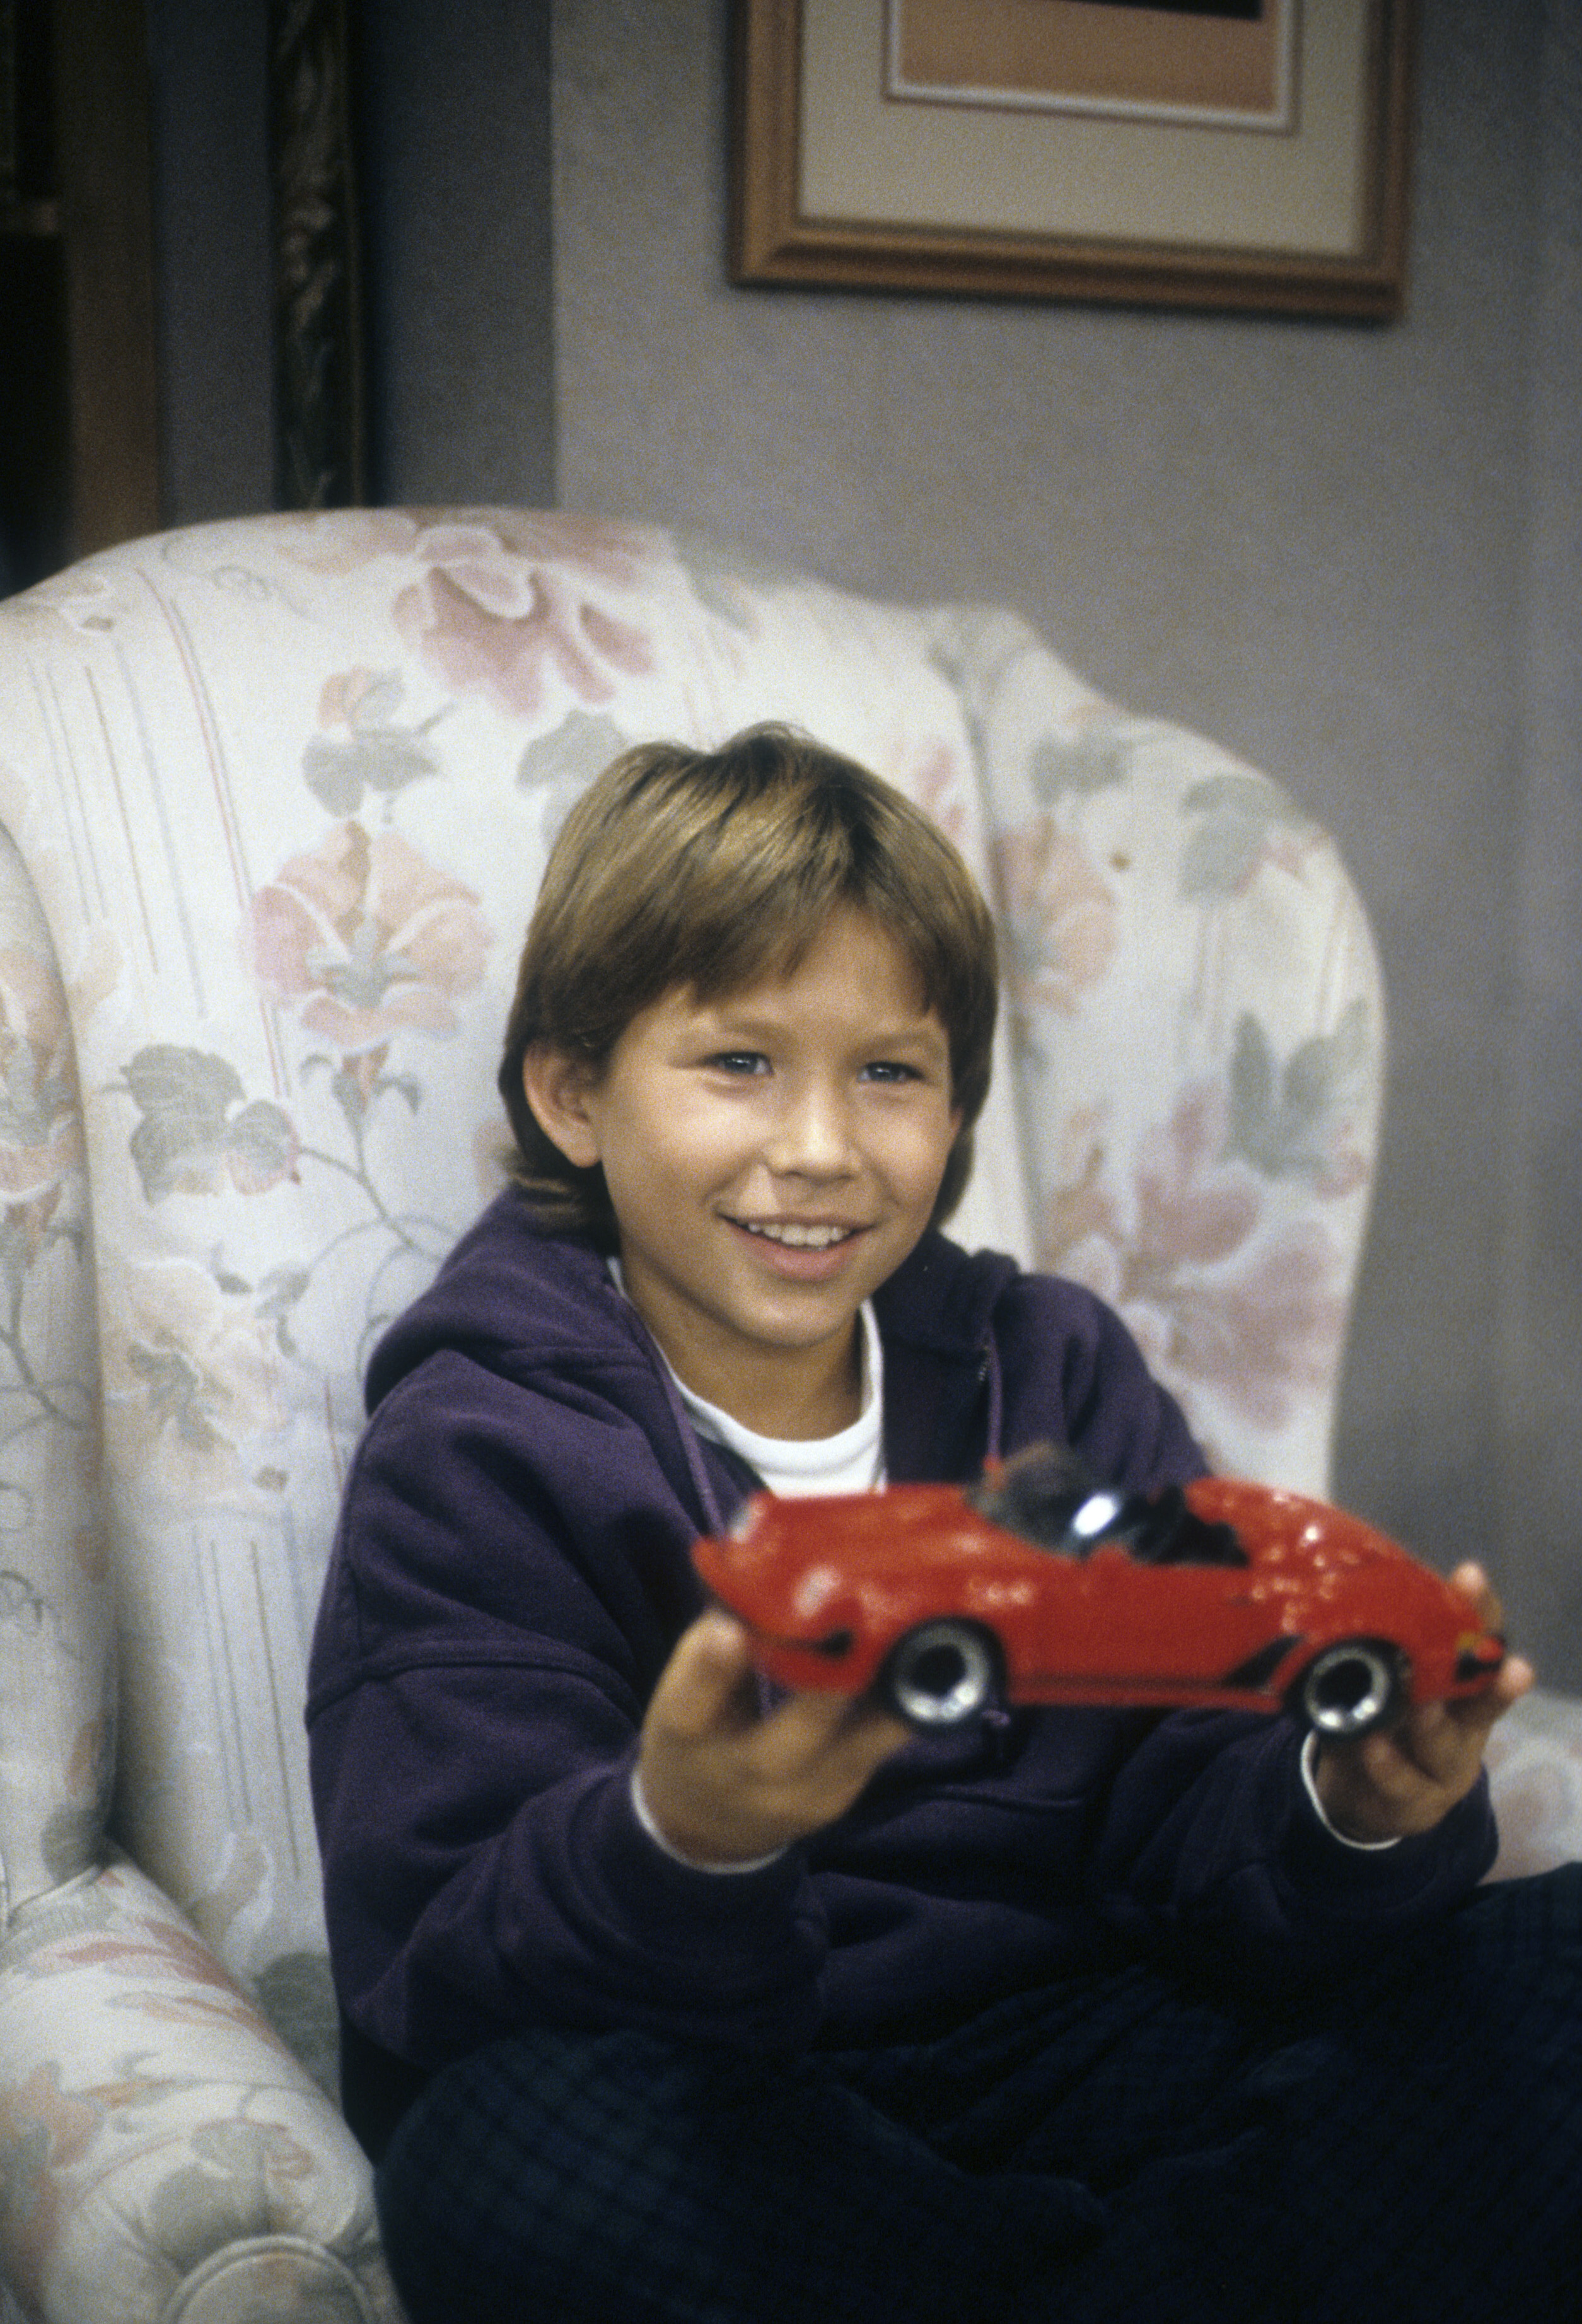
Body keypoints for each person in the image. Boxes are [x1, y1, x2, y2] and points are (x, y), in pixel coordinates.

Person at [306, 726, 1581, 2324]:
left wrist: (1350, 1798)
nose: (823, 1149)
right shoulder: (480, 1444)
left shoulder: (1044, 1367)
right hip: (748, 2096)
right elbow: (440, 1958)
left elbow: (1200, 1772)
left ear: (956, 1107)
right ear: (573, 1094)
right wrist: (681, 1831)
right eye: (740, 1062)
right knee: (500, 2166)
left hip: (1091, 2043)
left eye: (890, 1074)